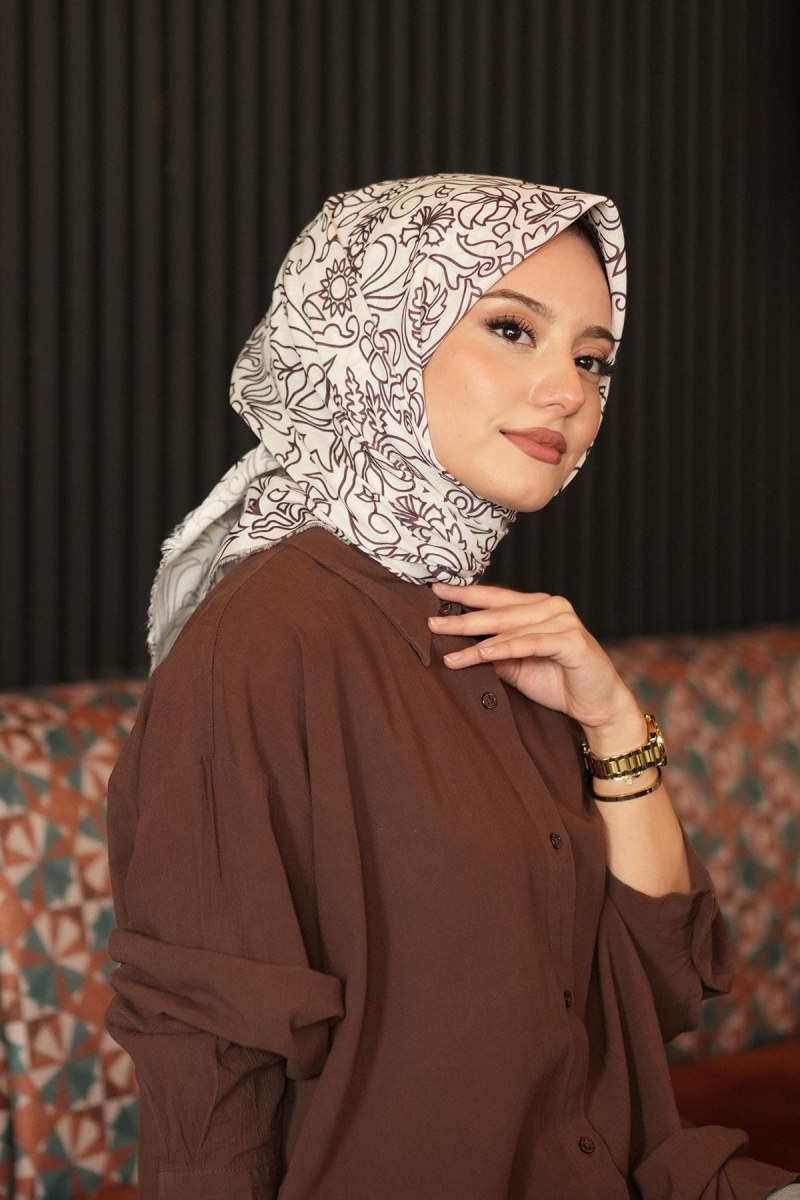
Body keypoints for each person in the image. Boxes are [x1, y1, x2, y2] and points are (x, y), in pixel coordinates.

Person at [103, 174, 800, 1200]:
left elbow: (656, 987)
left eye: (591, 358)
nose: (568, 392)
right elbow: (209, 1047)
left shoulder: (496, 628)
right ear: (375, 333)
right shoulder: (267, 635)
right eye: (512, 330)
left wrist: (613, 722)